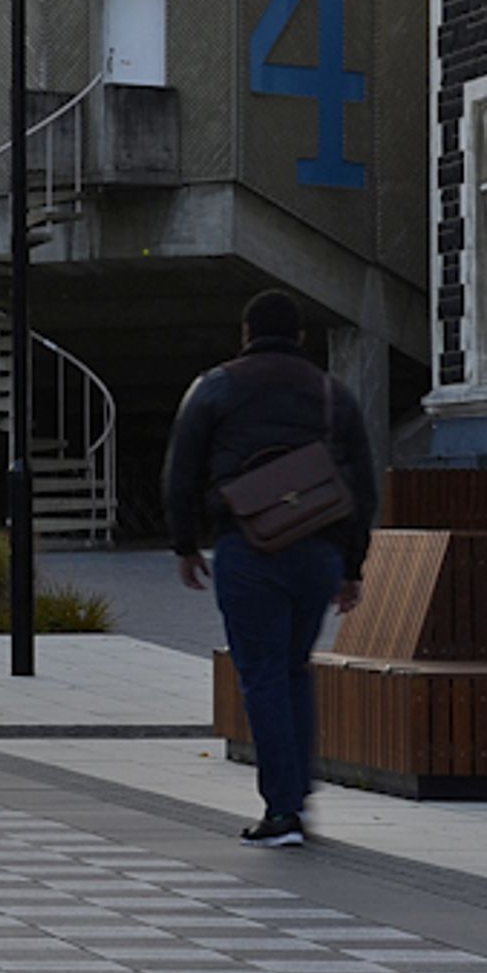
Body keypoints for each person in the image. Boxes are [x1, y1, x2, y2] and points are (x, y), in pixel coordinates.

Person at [163, 288, 378, 848]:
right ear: (301, 338)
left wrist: (185, 545)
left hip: (247, 549)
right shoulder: (333, 395)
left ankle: (283, 810)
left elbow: (181, 471)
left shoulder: (215, 388)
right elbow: (362, 486)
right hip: (317, 553)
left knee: (261, 675)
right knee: (293, 668)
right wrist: (352, 565)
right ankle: (296, 794)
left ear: (245, 332)